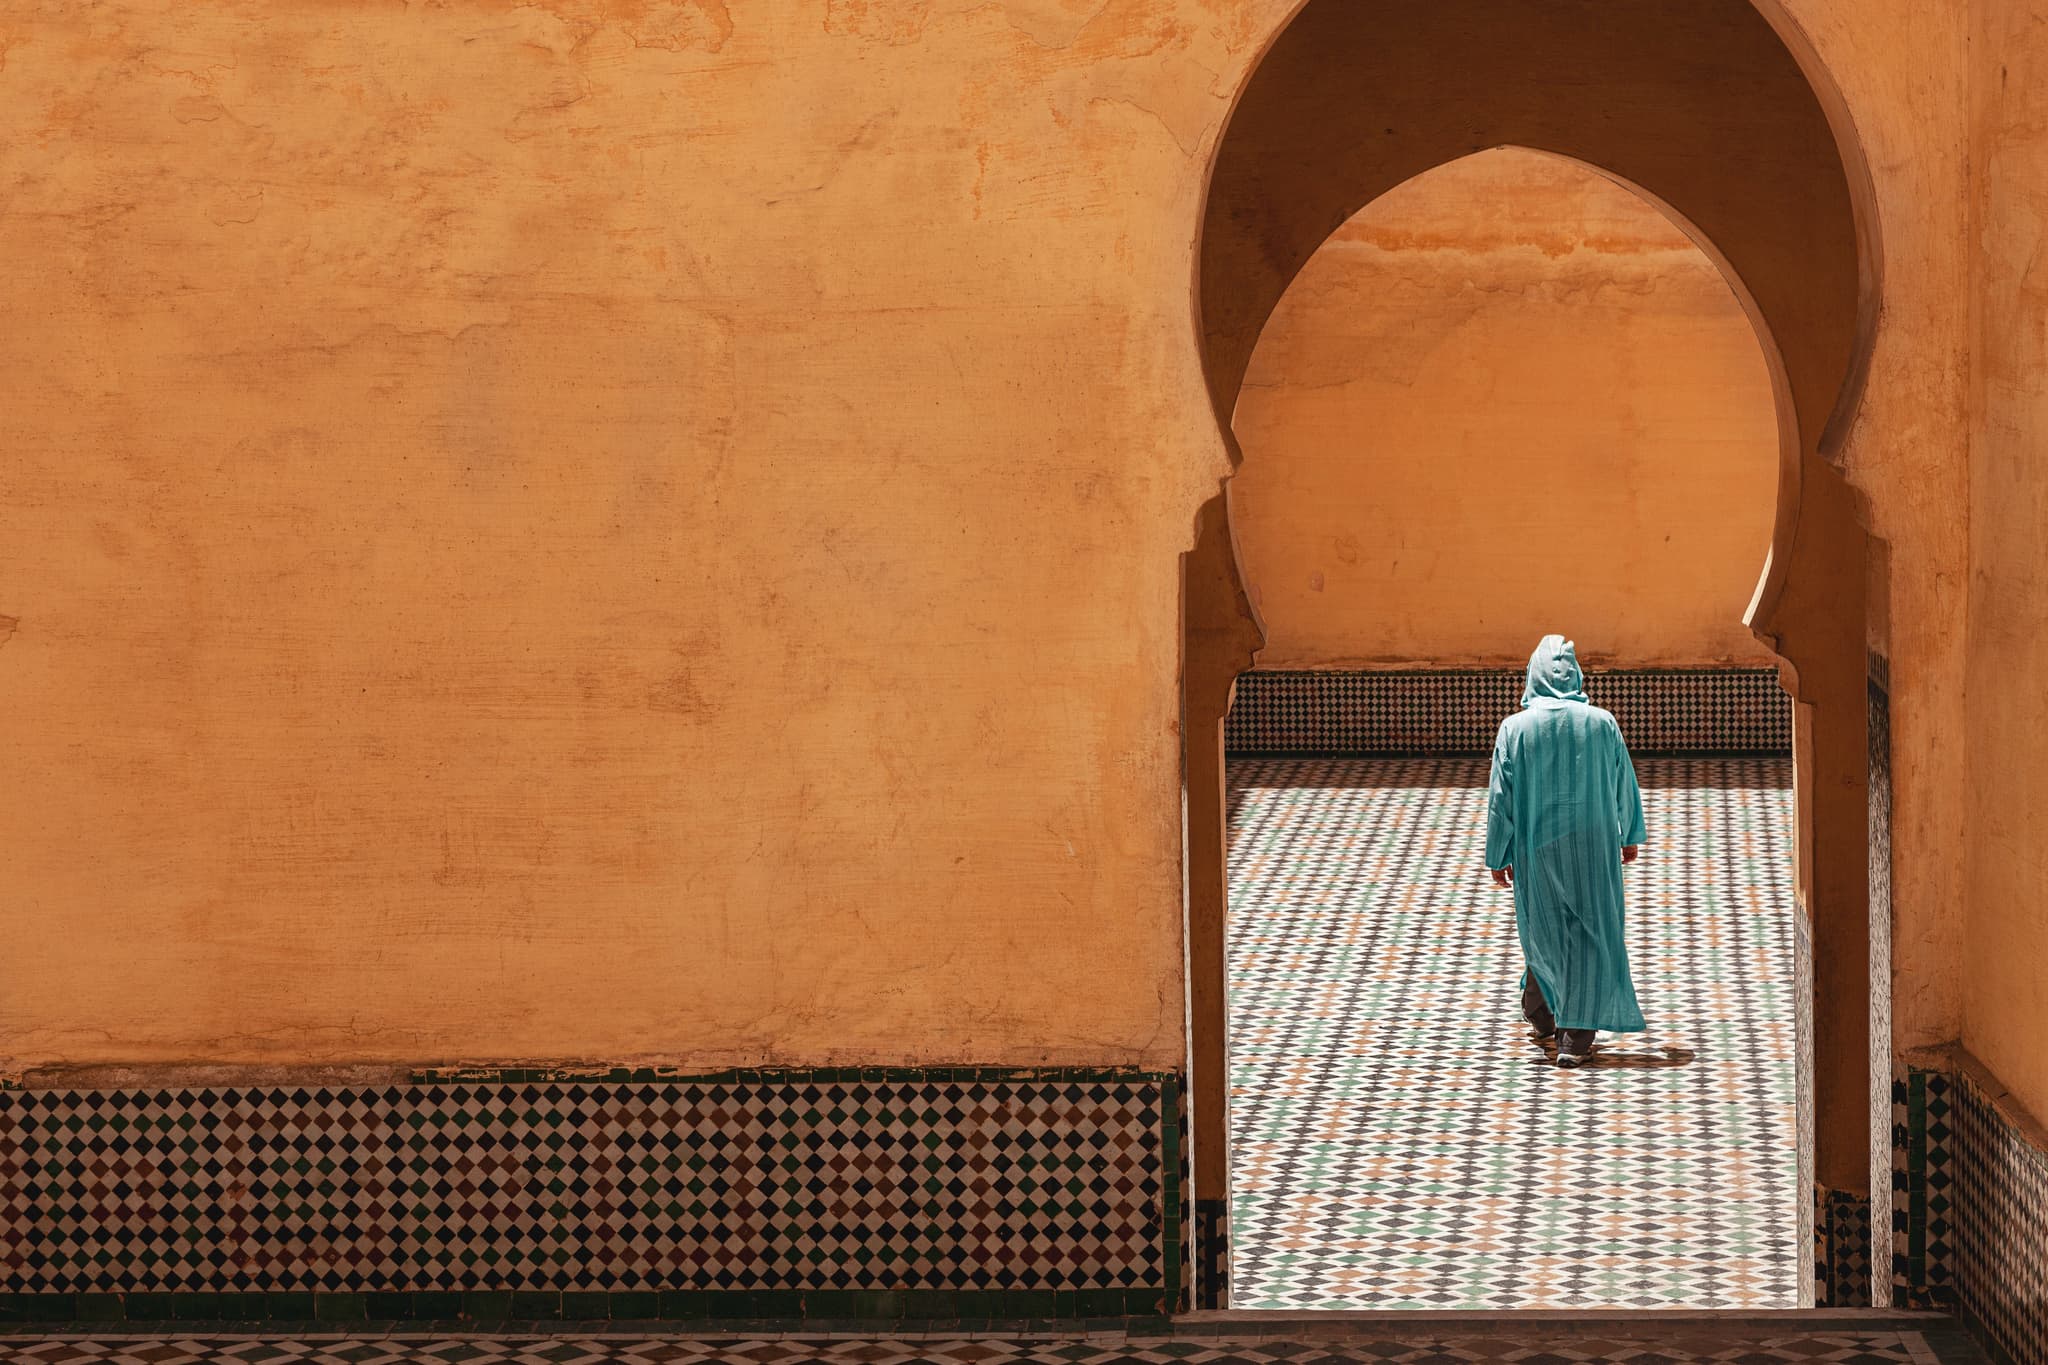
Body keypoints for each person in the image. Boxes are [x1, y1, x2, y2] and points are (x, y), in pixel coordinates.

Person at [1484, 635, 1647, 1069]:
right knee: (1591, 931)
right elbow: (1622, 781)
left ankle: (1544, 1012)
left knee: (1543, 928)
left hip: (1535, 849)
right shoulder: (1602, 723)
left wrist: (1497, 854)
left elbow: (1501, 798)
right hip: (1594, 847)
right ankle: (1573, 1034)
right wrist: (1629, 831)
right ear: (1575, 675)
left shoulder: (1514, 730)